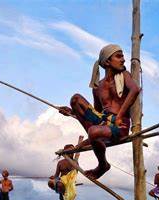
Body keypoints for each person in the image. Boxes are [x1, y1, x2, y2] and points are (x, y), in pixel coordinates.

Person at [58, 44, 141, 180]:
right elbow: (95, 115)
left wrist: (119, 116)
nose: (123, 60)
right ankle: (94, 139)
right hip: (102, 122)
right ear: (108, 61)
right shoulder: (98, 87)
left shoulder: (124, 75)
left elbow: (135, 90)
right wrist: (72, 113)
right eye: (119, 56)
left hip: (119, 126)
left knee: (94, 132)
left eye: (123, 56)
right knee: (75, 99)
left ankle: (102, 165)